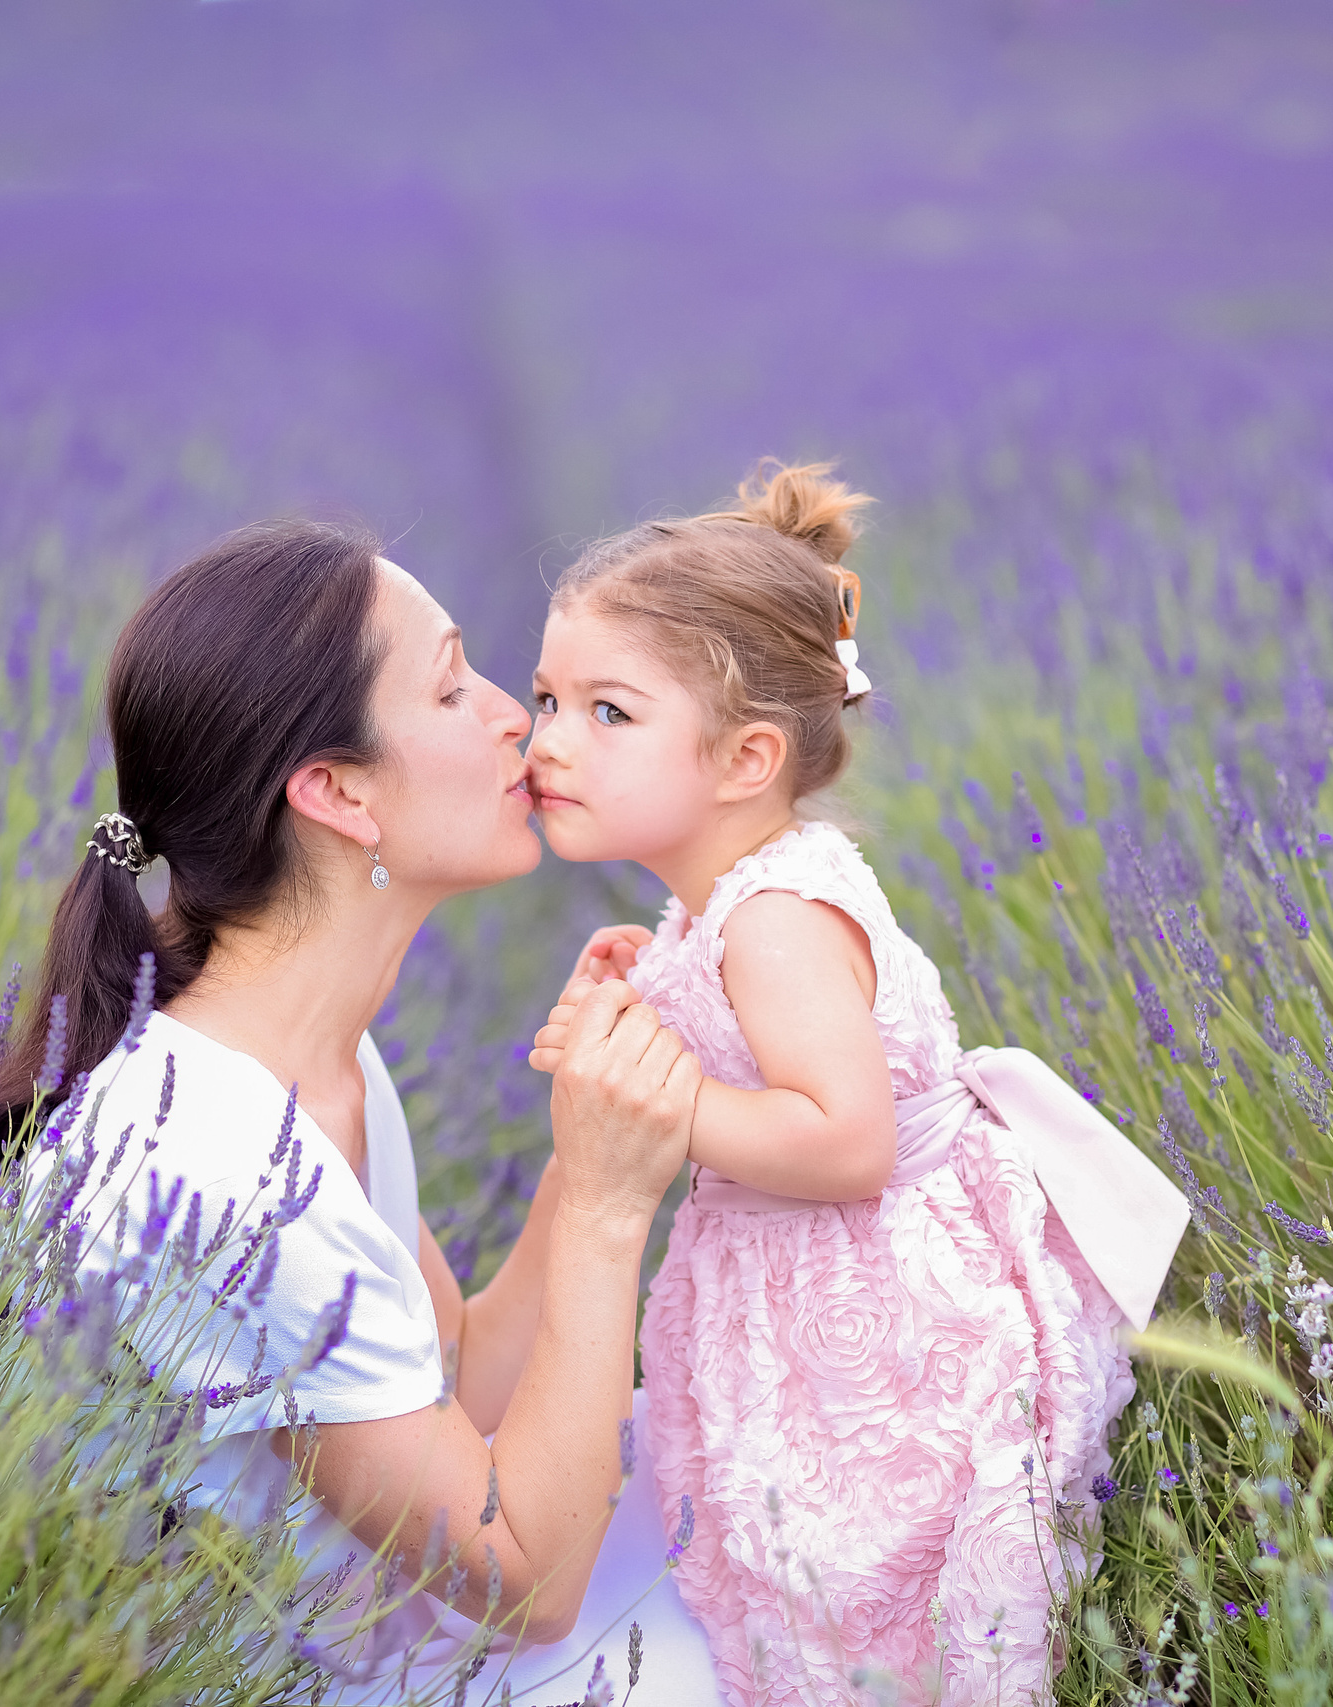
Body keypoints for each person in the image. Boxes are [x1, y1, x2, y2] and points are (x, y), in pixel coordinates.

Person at [3, 519, 724, 1701]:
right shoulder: (218, 1161)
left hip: (350, 1624)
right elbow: (526, 1585)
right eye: (451, 687)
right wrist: (604, 1207)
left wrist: (588, 1134)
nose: (513, 718)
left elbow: (463, 1377)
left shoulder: (312, 1061)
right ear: (337, 792)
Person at [522, 463, 1191, 1704]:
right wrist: (643, 1000)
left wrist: (659, 1094)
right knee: (786, 1583)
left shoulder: (771, 916)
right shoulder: (723, 899)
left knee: (861, 1597)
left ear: (745, 758)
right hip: (804, 1295)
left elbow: (844, 1141)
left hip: (872, 1319)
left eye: (607, 713)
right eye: (546, 697)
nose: (548, 739)